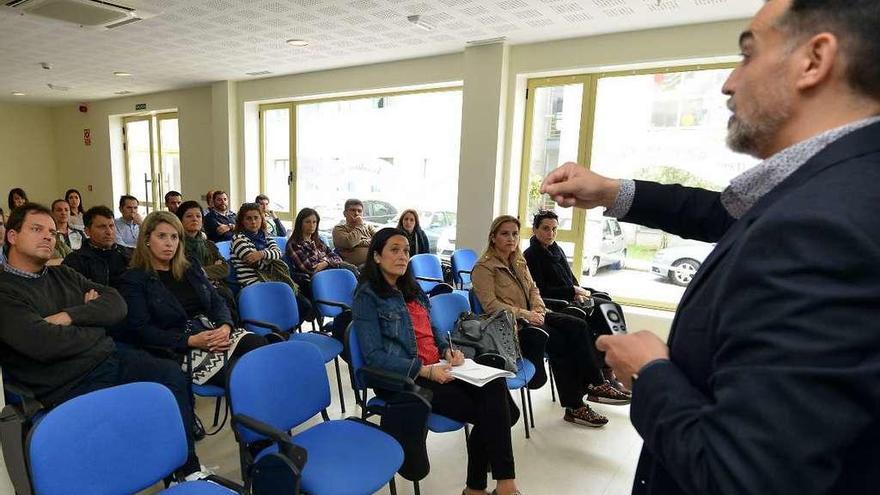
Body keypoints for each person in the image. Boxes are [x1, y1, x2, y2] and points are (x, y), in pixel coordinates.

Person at [540, 1, 880, 492]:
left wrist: (650, 371)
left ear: (814, 59)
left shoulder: (822, 224)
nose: (728, 83)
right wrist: (613, 191)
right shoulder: (841, 188)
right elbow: (731, 214)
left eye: (747, 54)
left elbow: (741, 476)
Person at [0, 203, 210, 481]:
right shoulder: (6, 290)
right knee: (123, 415)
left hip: (107, 358)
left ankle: (187, 468)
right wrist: (95, 324)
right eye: (37, 229)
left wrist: (69, 316)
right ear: (12, 236)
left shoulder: (63, 273)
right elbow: (44, 343)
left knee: (170, 374)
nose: (48, 237)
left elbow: (116, 305)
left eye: (51, 232)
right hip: (63, 381)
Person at [353, 228, 523, 495]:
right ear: (376, 256)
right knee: (495, 412)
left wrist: (447, 351)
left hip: (439, 366)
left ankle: (489, 487)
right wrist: (425, 370)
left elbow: (432, 333)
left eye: (406, 251)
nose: (402, 256)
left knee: (496, 391)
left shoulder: (414, 290)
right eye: (394, 250)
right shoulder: (368, 297)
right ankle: (492, 487)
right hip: (407, 378)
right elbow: (374, 357)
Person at [472, 215, 630, 429]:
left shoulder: (518, 260)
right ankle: (578, 403)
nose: (511, 238)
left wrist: (537, 308)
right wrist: (526, 314)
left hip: (535, 314)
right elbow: (491, 305)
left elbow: (533, 289)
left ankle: (595, 384)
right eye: (505, 234)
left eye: (515, 234)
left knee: (577, 325)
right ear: (493, 237)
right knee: (561, 343)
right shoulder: (484, 267)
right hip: (513, 325)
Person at [118, 212, 267, 388]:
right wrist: (191, 340)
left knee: (261, 347)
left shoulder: (190, 266)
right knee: (242, 375)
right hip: (178, 344)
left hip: (211, 330)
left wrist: (225, 326)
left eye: (174, 237)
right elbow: (141, 330)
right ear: (146, 240)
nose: (169, 243)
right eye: (161, 236)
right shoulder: (134, 279)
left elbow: (217, 301)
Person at [231, 203, 313, 320]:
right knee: (301, 305)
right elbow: (258, 264)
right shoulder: (238, 239)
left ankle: (284, 330)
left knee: (305, 305)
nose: (253, 222)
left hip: (272, 279)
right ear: (242, 221)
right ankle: (278, 332)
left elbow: (278, 253)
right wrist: (270, 257)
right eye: (248, 218)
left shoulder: (265, 236)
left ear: (261, 219)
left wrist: (261, 254)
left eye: (256, 218)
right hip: (253, 284)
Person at [176, 200, 238, 320]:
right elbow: (183, 273)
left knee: (225, 294)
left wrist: (199, 271)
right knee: (223, 294)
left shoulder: (209, 245)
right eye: (189, 216)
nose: (195, 219)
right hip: (189, 292)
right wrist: (211, 270)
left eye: (198, 216)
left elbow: (225, 268)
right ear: (180, 220)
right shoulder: (176, 246)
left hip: (214, 288)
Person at [63, 206, 133, 289]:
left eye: (111, 226)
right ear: (87, 231)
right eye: (102, 227)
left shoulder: (128, 254)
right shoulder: (75, 261)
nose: (109, 232)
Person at [287, 207, 359, 279]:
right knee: (353, 271)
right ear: (300, 223)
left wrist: (326, 263)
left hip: (331, 270)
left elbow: (337, 258)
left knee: (360, 269)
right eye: (307, 222)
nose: (312, 225)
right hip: (318, 278)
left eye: (314, 222)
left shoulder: (318, 241)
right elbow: (310, 269)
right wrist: (329, 262)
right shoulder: (294, 244)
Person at [332, 198, 376, 266]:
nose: (356, 213)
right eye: (353, 210)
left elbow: (380, 240)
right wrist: (359, 225)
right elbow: (350, 243)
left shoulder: (368, 227)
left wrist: (359, 242)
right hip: (355, 267)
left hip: (374, 262)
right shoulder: (339, 229)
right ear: (345, 213)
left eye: (359, 211)